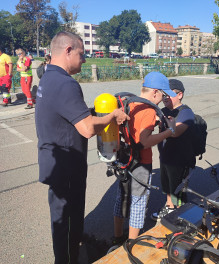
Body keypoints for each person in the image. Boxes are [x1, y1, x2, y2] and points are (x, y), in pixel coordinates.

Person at [35, 31, 129, 264]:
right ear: (67, 50)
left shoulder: (48, 77)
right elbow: (87, 129)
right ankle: (67, 258)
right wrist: (111, 116)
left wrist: (89, 112)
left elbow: (66, 113)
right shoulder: (66, 83)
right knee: (65, 220)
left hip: (56, 162)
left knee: (69, 217)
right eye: (81, 53)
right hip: (66, 167)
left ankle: (75, 244)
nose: (85, 59)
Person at [112, 71, 177, 246]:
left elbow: (133, 130)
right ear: (155, 92)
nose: (162, 99)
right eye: (162, 94)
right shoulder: (148, 109)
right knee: (139, 203)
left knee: (122, 196)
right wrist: (168, 132)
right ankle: (132, 243)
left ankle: (117, 237)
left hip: (124, 158)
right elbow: (145, 141)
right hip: (141, 162)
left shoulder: (129, 103)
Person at [151, 79, 195, 221]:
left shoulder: (186, 112)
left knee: (177, 191)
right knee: (167, 186)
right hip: (165, 157)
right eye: (163, 95)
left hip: (180, 160)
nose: (165, 98)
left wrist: (163, 120)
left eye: (168, 95)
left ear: (180, 94)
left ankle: (178, 215)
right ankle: (170, 207)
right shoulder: (163, 110)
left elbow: (175, 132)